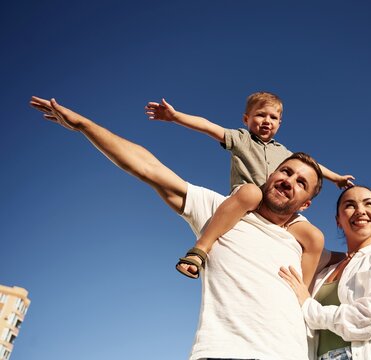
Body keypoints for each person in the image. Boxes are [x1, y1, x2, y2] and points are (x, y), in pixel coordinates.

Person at [30, 95, 324, 359]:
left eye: (302, 183)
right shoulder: (221, 212)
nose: (289, 181)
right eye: (286, 171)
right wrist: (84, 125)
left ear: (306, 204)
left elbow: (358, 264)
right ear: (272, 174)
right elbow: (148, 167)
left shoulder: (304, 245)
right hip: (226, 352)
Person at [145, 92, 354, 285]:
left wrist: (336, 178)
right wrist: (175, 116)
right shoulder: (240, 138)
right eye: (260, 115)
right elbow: (208, 126)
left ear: (279, 123)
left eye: (273, 118)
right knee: (252, 192)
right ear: (246, 119)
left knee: (315, 236)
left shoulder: (283, 152)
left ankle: (302, 292)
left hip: (278, 206)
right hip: (247, 198)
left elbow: (314, 167)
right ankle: (201, 248)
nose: (267, 121)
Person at [279, 185, 371, 360]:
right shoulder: (324, 271)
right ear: (338, 220)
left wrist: (310, 307)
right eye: (350, 205)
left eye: (368, 204)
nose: (360, 211)